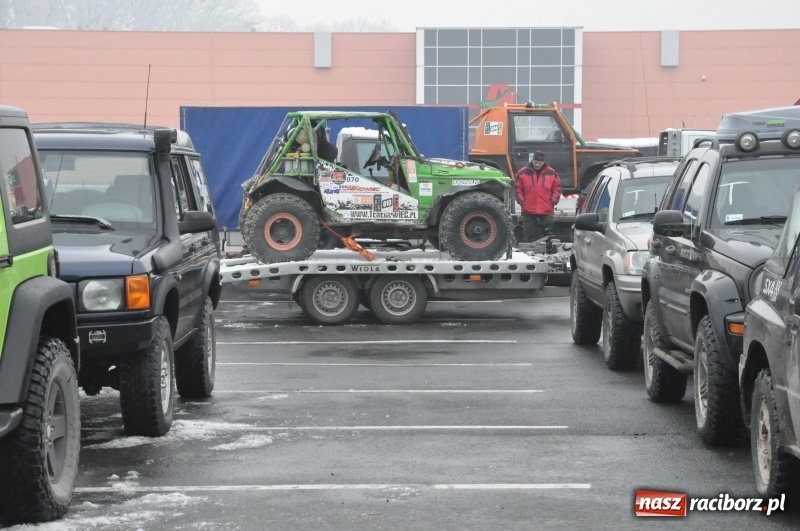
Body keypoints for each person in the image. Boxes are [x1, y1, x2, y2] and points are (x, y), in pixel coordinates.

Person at [515, 150, 561, 242]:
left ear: (543, 162)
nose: (537, 165)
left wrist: (553, 201)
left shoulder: (552, 173)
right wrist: (522, 202)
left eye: (539, 163)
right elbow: (517, 189)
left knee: (549, 236)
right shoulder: (522, 172)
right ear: (532, 161)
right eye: (535, 162)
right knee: (529, 236)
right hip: (528, 209)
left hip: (546, 209)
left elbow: (557, 188)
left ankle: (549, 251)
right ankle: (530, 253)